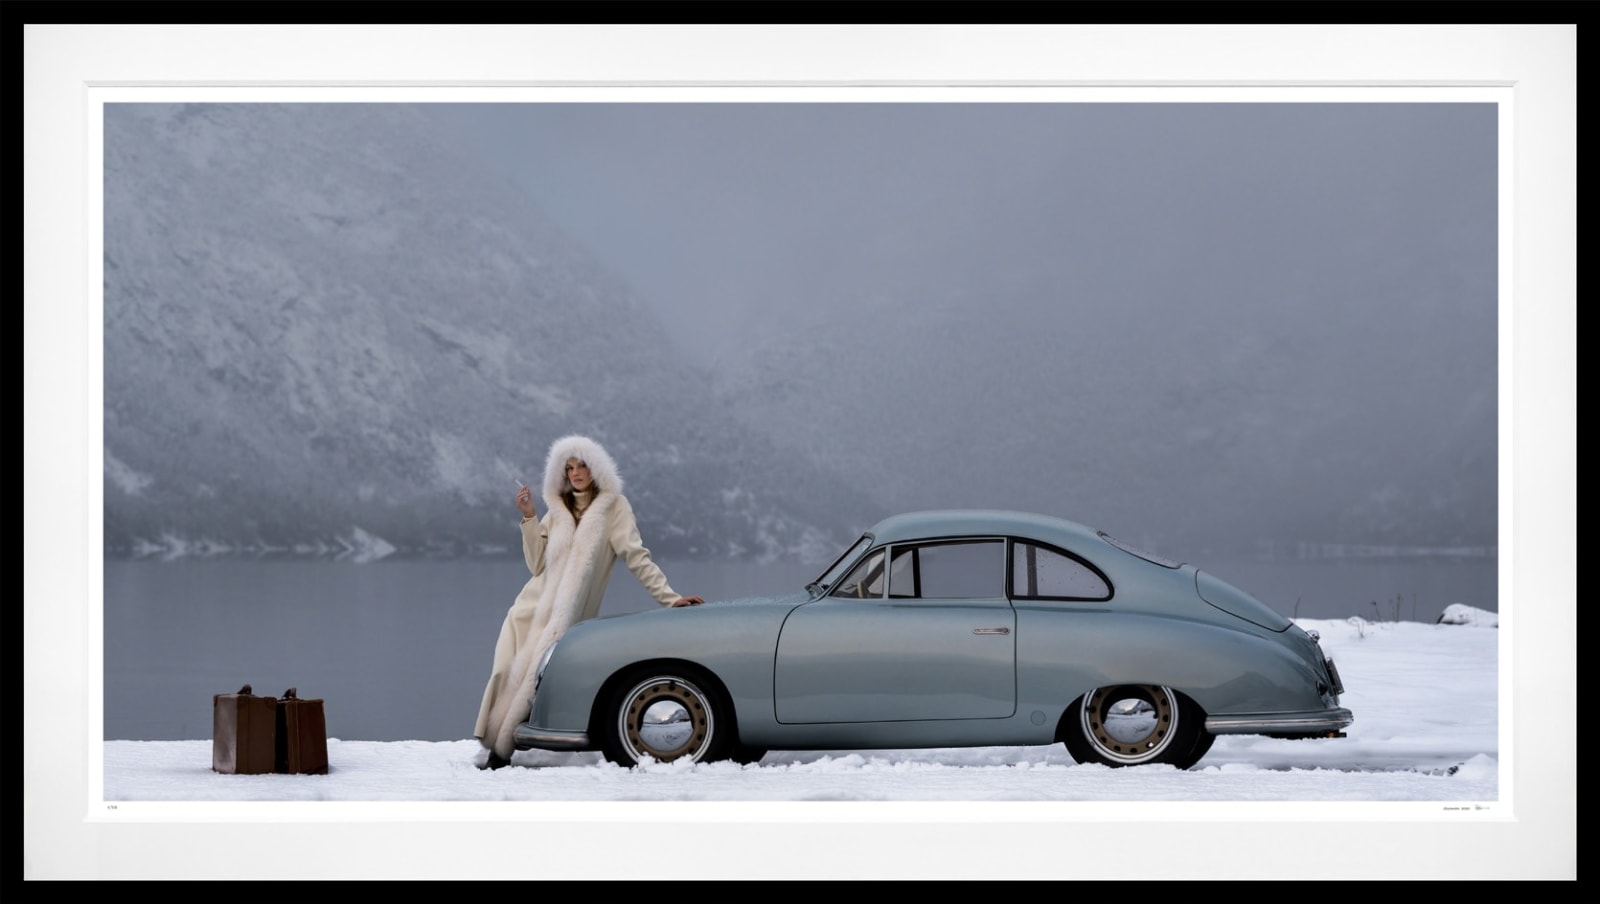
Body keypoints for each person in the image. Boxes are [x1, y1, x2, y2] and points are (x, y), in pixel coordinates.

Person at [474, 433, 703, 769]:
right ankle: (495, 744)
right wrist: (529, 517)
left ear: (595, 468)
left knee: (534, 681)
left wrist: (670, 599)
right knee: (503, 673)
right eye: (569, 468)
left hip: (566, 618)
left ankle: (502, 750)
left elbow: (637, 557)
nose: (576, 473)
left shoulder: (614, 508)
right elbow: (536, 564)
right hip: (528, 609)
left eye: (582, 465)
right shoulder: (558, 509)